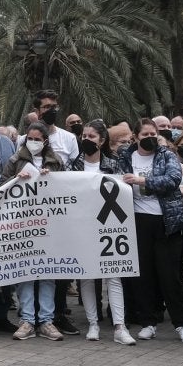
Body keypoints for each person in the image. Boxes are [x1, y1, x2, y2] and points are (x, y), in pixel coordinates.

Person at [117, 119, 183, 343]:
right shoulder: (125, 157)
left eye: (153, 133)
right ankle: (148, 321)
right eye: (145, 134)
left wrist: (141, 180)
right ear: (135, 137)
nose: (149, 137)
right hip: (138, 221)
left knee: (170, 276)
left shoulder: (166, 155)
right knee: (144, 275)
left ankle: (181, 323)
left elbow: (171, 180)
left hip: (166, 222)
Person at [3, 121, 67, 340]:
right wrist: (16, 180)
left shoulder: (56, 162)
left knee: (48, 272)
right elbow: (1, 188)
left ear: (45, 141)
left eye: (37, 139)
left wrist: (53, 179)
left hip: (49, 225)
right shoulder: (15, 160)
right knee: (25, 272)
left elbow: (67, 189)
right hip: (22, 225)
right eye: (29, 138)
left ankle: (46, 321)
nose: (33, 142)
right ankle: (27, 320)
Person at [75, 122, 136, 344]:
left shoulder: (115, 165)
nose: (87, 139)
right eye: (84, 135)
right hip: (82, 227)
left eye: (92, 136)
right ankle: (93, 324)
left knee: (114, 276)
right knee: (87, 277)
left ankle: (120, 327)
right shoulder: (71, 166)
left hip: (110, 228)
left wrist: (129, 182)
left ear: (102, 141)